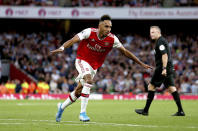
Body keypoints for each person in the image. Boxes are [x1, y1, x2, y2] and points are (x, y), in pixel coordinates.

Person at [50, 15, 153, 122]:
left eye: (110, 27)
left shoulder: (112, 39)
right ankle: (82, 113)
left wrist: (141, 63)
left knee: (78, 92)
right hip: (82, 60)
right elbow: (73, 40)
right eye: (106, 26)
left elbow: (125, 52)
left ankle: (61, 107)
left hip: (94, 66)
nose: (108, 29)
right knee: (89, 80)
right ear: (100, 26)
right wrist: (62, 48)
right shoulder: (89, 32)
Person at [135, 26, 185, 116]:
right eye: (150, 32)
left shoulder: (160, 41)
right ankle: (180, 111)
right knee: (171, 88)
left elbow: (164, 55)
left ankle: (145, 110)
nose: (151, 34)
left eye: (153, 32)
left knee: (151, 86)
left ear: (159, 32)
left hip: (163, 68)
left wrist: (164, 68)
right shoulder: (161, 41)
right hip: (168, 67)